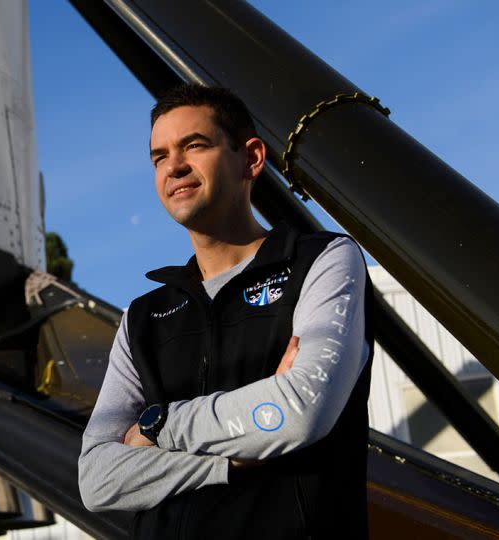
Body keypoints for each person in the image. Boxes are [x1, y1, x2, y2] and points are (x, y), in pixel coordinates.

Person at [78, 84, 373, 539]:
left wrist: (158, 427)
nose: (174, 166)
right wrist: (235, 458)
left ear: (251, 158)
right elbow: (97, 479)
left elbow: (299, 413)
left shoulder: (322, 261)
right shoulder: (143, 316)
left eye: (194, 145)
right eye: (159, 156)